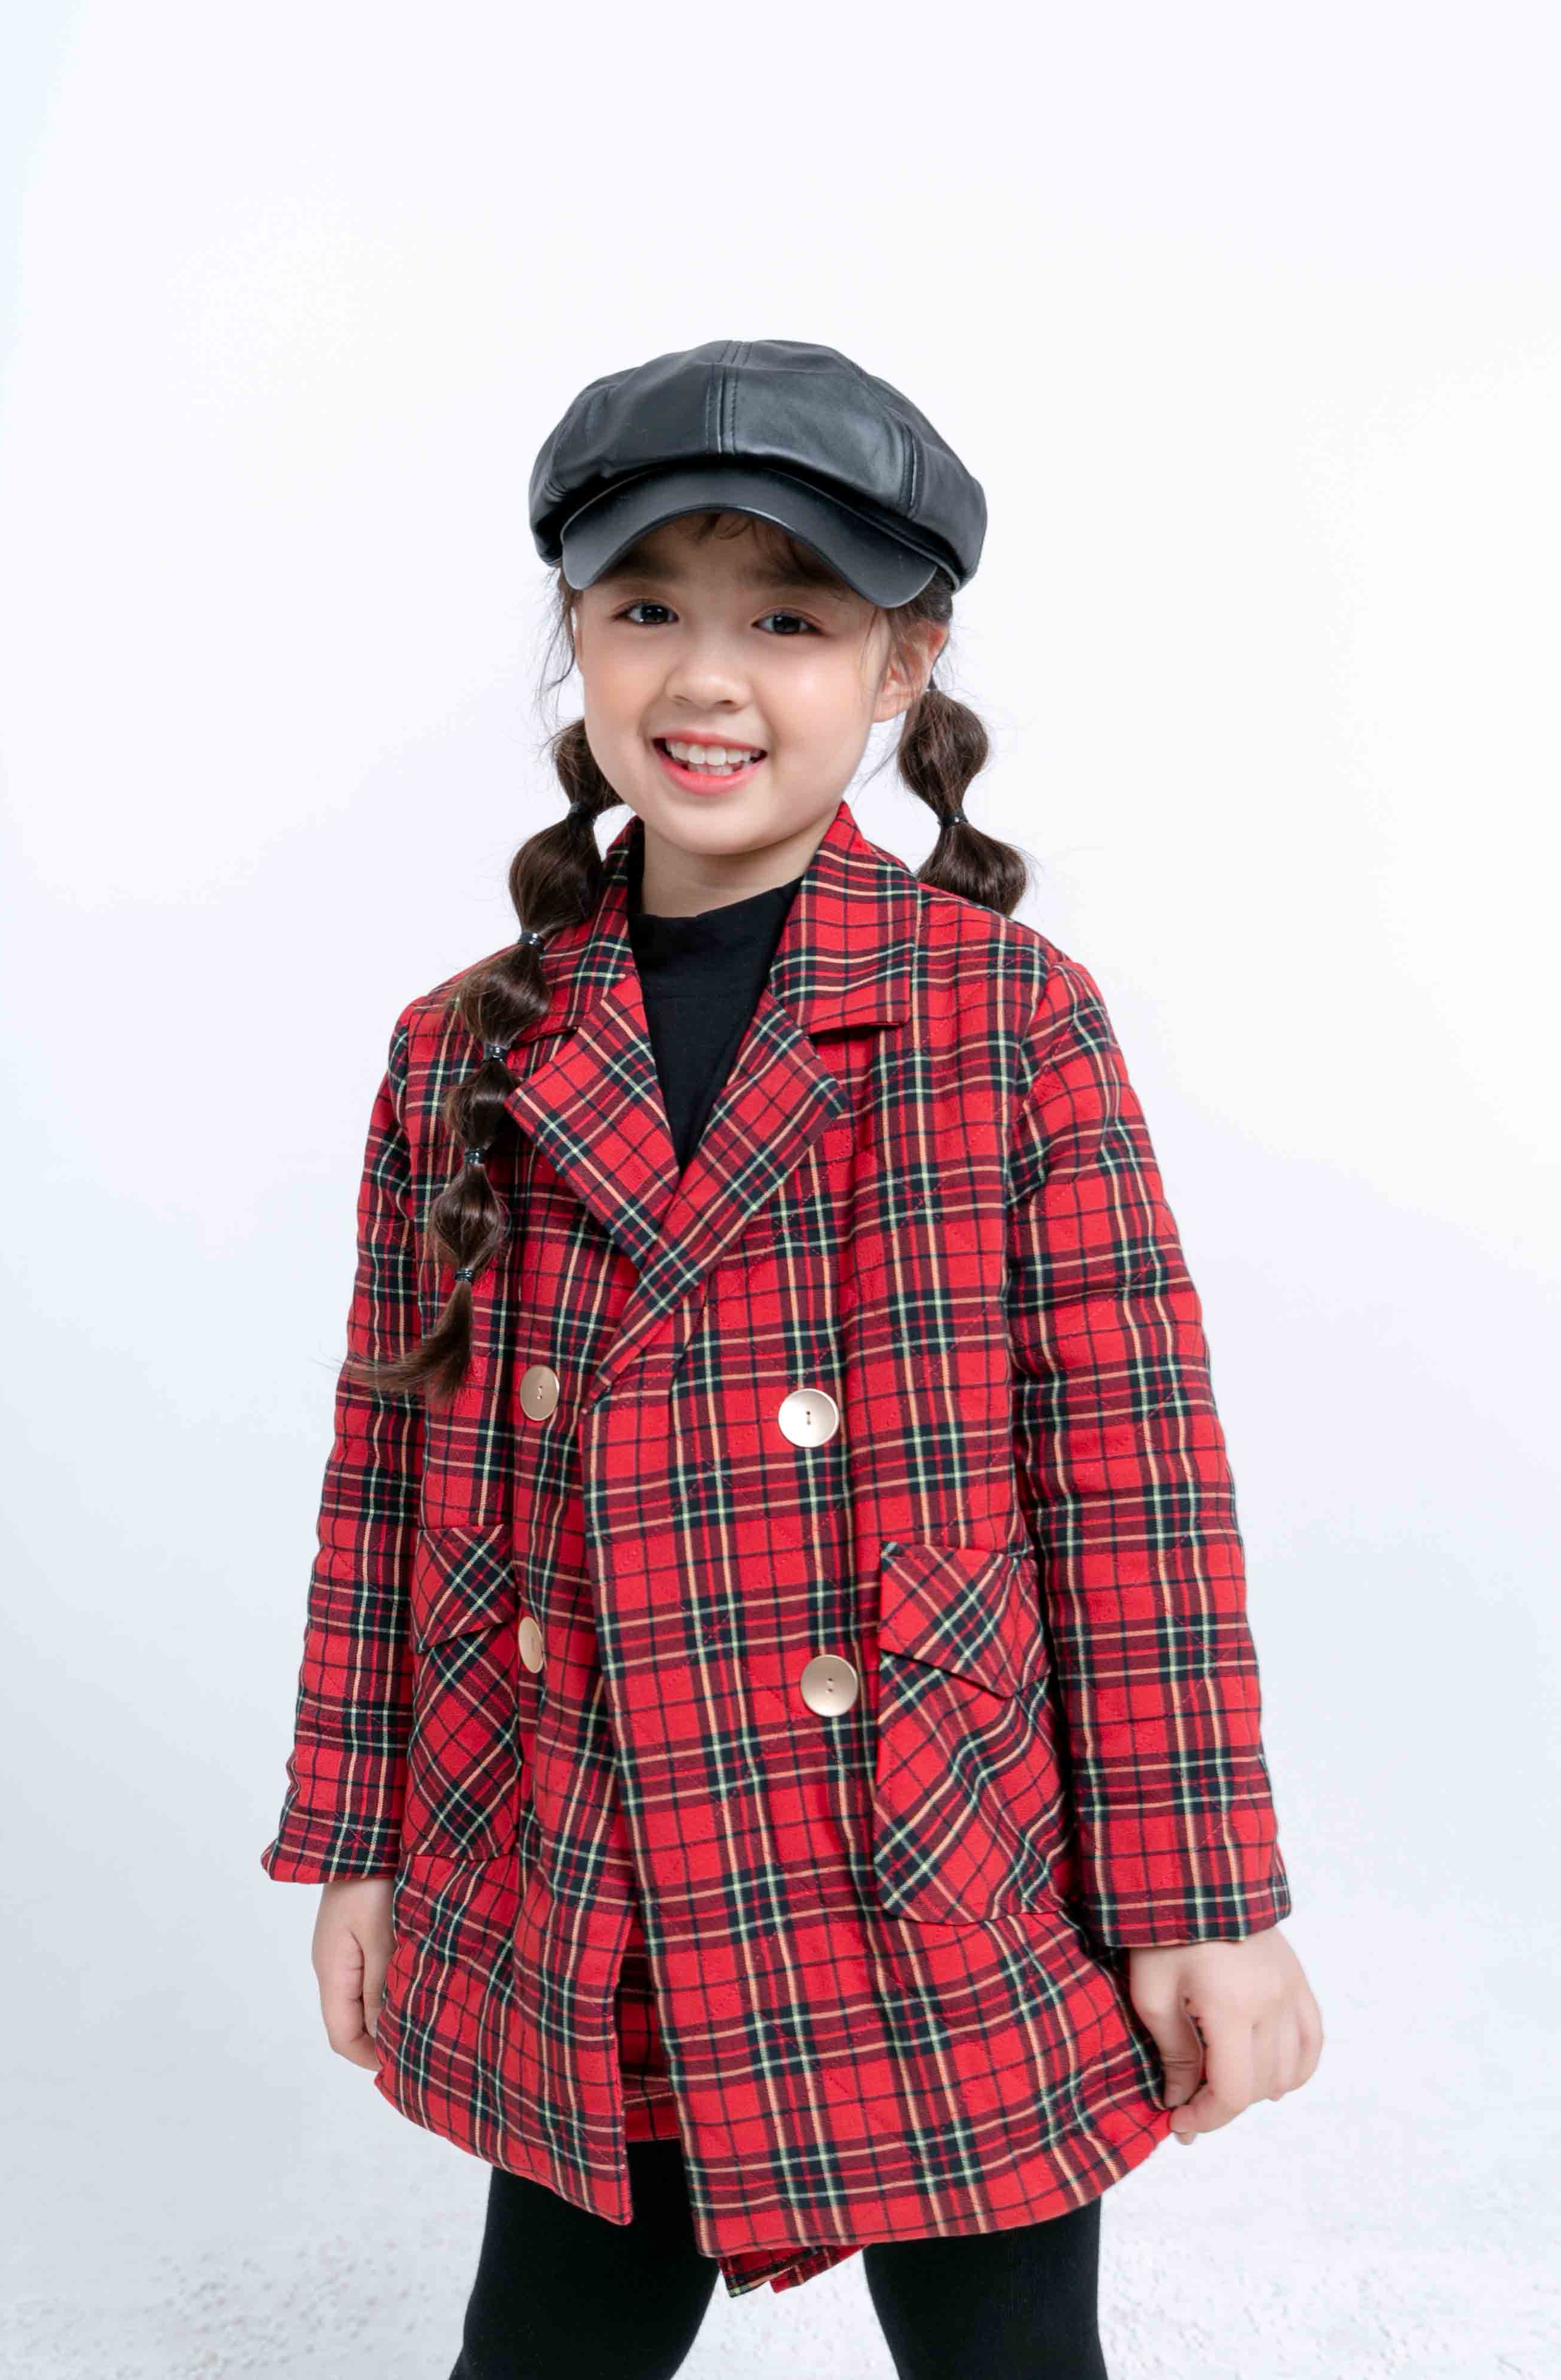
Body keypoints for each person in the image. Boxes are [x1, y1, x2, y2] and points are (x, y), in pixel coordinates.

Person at [260, 339, 1323, 2378]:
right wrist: (360, 1842)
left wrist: (1200, 1897)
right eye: (646, 606)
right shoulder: (464, 1044)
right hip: (585, 1855)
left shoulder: (1007, 1022)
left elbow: (1137, 1490)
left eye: (790, 620)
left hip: (933, 1853)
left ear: (906, 664)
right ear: (574, 634)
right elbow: (385, 1487)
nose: (707, 677)